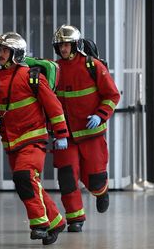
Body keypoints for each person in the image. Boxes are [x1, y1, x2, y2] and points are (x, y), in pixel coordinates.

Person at [0, 32, 68, 245]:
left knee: (24, 177)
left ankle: (39, 224)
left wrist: (61, 134)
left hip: (33, 139)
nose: (0, 54)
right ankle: (55, 220)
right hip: (11, 143)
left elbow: (53, 106)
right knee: (29, 182)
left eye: (4, 50)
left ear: (16, 53)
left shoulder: (32, 76)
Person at [51, 25, 120, 232]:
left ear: (75, 45)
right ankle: (75, 218)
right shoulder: (54, 69)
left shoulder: (93, 65)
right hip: (66, 137)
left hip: (92, 135)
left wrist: (100, 116)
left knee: (94, 178)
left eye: (67, 44)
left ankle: (101, 191)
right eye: (60, 45)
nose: (63, 49)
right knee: (67, 178)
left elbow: (112, 95)